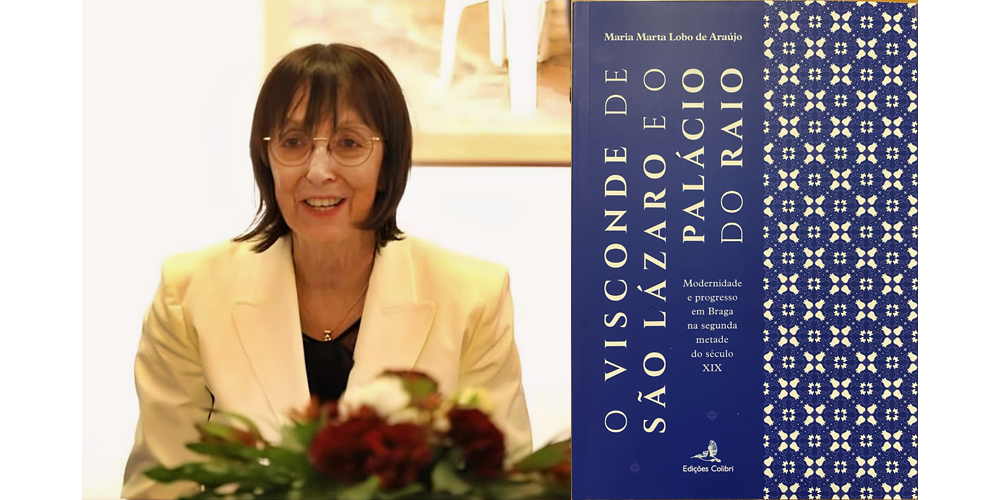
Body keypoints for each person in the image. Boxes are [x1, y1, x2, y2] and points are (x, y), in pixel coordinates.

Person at [121, 43, 532, 499]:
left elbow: (504, 486)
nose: (318, 171)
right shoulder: (190, 294)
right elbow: (161, 485)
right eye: (293, 142)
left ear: (388, 162)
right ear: (267, 159)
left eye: (349, 143)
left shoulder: (473, 298)